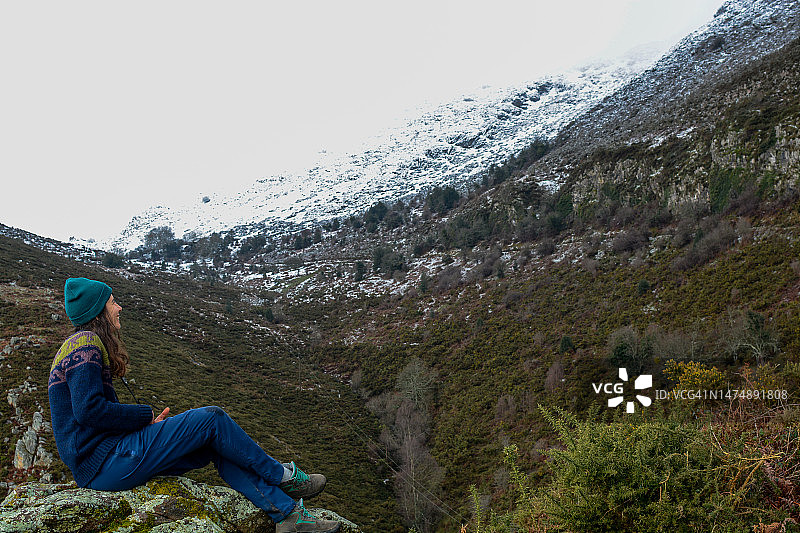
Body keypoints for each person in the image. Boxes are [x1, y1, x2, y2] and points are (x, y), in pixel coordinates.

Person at [48, 277, 341, 533]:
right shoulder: (84, 343)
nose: (119, 307)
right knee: (212, 419)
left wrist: (143, 427)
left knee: (216, 442)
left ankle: (289, 516)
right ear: (98, 310)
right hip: (105, 464)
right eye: (112, 302)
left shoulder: (78, 345)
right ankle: (284, 477)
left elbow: (89, 415)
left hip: (107, 461)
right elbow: (89, 411)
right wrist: (145, 415)